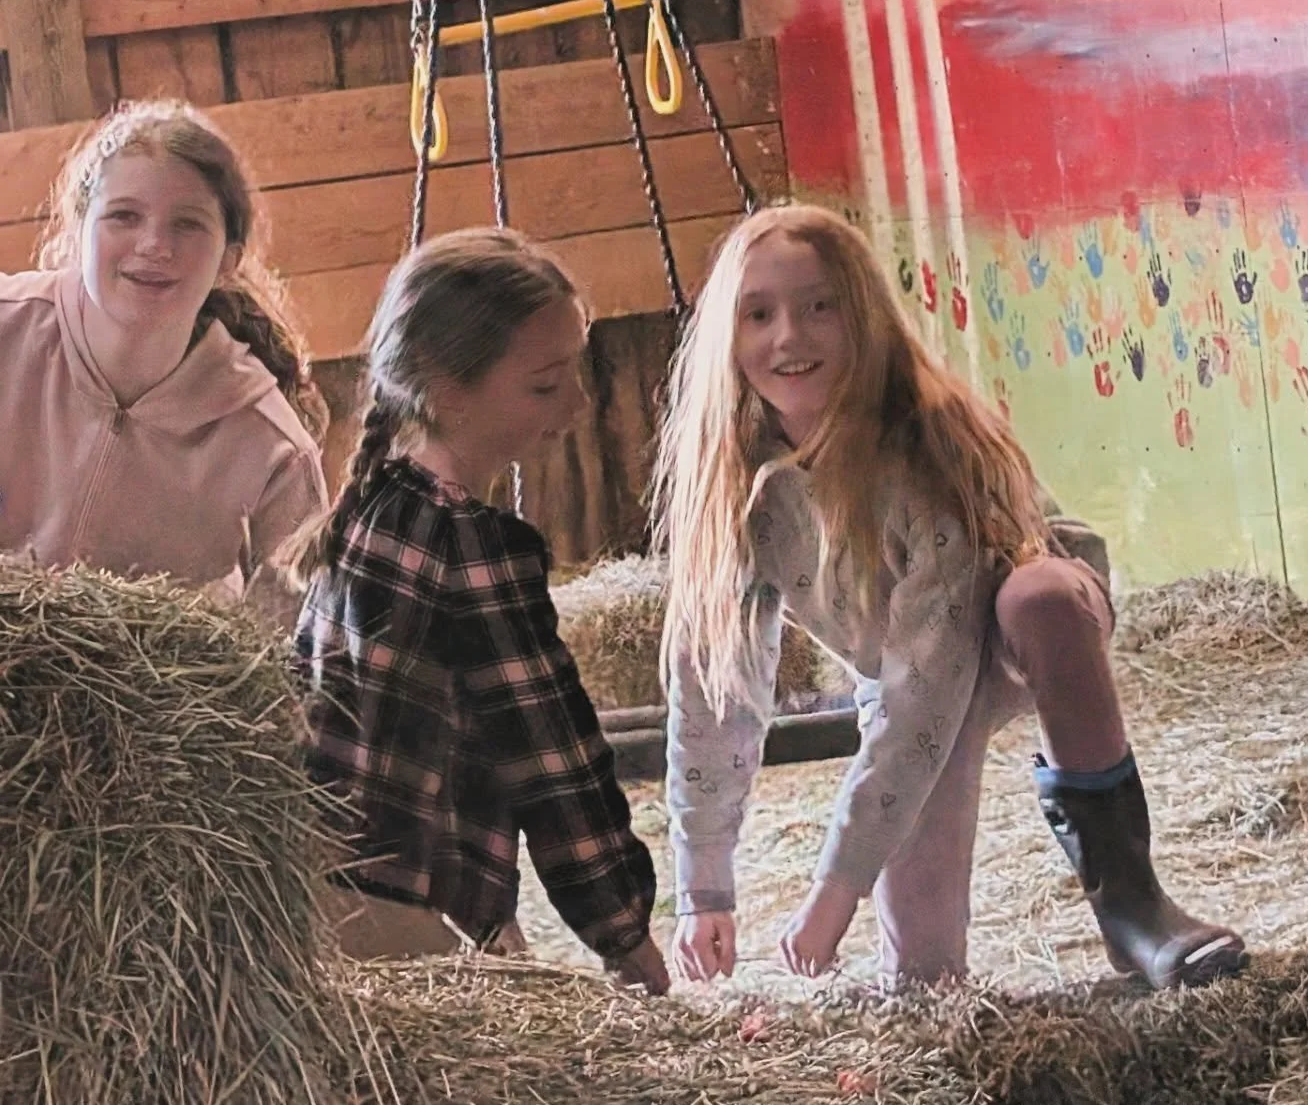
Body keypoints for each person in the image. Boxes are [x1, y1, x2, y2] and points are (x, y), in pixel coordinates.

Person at [653, 204, 1247, 992]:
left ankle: (1136, 909)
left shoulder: (926, 441)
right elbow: (715, 688)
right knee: (922, 981)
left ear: (864, 315)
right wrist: (704, 888)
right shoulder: (736, 477)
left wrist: (837, 887)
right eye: (758, 315)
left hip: (1008, 628)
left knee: (1039, 601)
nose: (788, 337)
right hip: (904, 666)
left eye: (820, 306)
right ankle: (928, 983)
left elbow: (929, 688)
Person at [288, 228, 669, 991]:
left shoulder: (372, 507)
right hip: (389, 917)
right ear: (446, 388)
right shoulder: (472, 547)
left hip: (310, 889)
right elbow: (553, 762)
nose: (578, 402)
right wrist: (625, 935)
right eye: (545, 385)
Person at [0, 99, 326, 612]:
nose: (154, 244)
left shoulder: (271, 448)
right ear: (79, 229)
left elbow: (299, 633)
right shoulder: (9, 329)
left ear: (228, 261)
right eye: (124, 216)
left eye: (188, 224)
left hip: (137, 666)